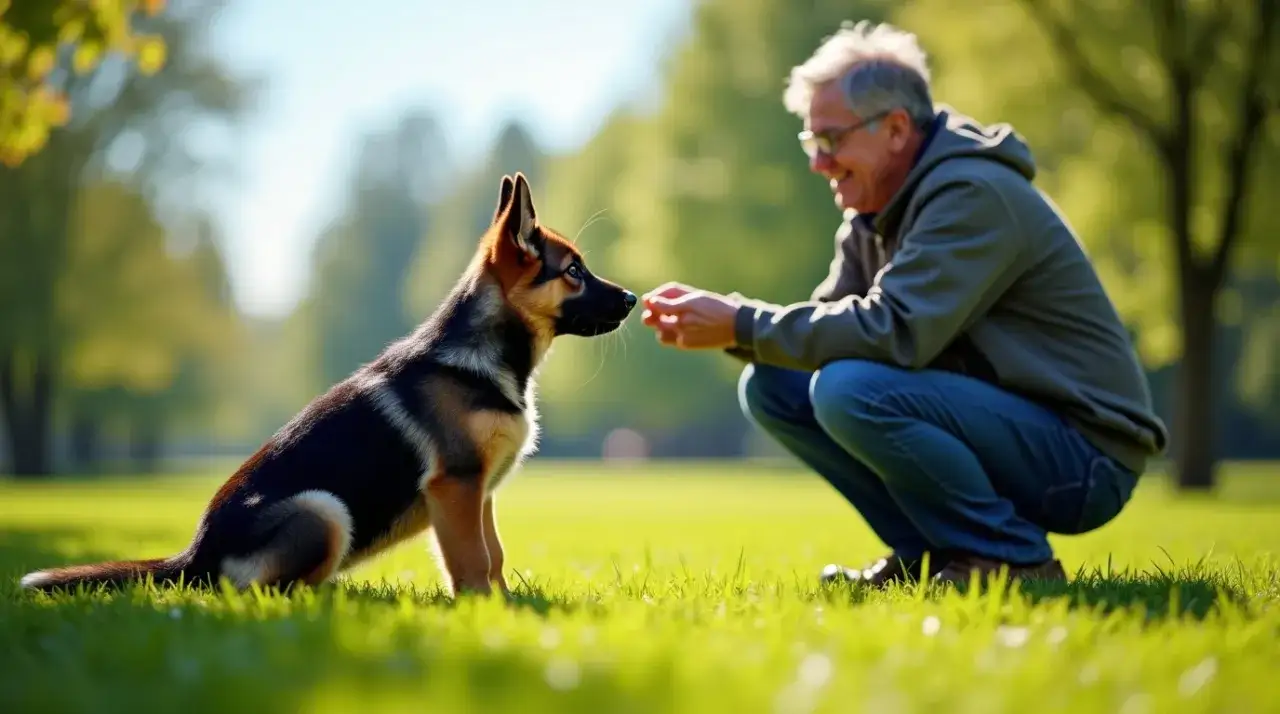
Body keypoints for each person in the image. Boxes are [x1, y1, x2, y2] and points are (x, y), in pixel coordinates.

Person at [639, 20, 1168, 588]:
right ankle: (927, 556)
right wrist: (737, 330)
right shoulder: (870, 217)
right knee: (774, 387)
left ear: (894, 129)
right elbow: (828, 333)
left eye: (832, 140)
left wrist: (742, 321)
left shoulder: (972, 195)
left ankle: (1011, 558)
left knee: (847, 390)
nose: (819, 162)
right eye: (812, 142)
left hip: (1083, 458)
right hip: (1012, 428)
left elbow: (894, 331)